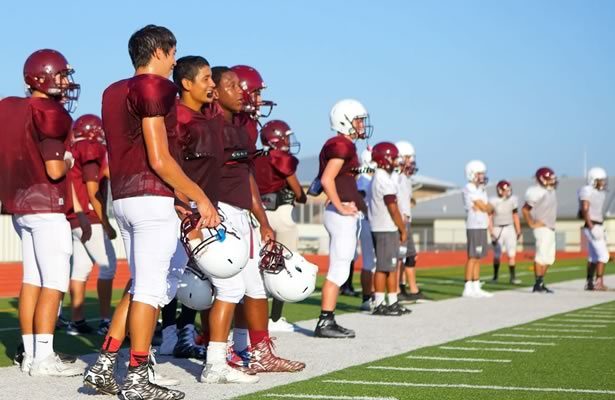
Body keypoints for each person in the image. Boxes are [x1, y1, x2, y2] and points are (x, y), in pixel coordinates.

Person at [84, 25, 218, 400]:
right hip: (150, 197)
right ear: (160, 51)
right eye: (173, 53)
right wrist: (198, 197)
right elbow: (159, 158)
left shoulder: (113, 90)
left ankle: (103, 365)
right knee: (149, 288)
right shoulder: (156, 87)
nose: (175, 61)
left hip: (126, 199)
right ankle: (138, 377)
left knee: (140, 283)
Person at [0, 48, 81, 377]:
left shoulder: (10, 108)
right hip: (47, 206)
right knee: (55, 282)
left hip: (21, 208)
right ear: (43, 77)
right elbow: (54, 169)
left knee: (32, 279)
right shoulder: (49, 111)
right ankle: (44, 357)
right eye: (61, 75)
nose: (65, 82)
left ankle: (32, 355)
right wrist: (68, 160)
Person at [158, 55, 221, 361]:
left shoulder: (208, 116)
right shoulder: (177, 118)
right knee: (174, 273)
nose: (213, 84)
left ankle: (184, 330)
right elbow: (168, 164)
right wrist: (180, 201)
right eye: (206, 78)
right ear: (186, 84)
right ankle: (170, 332)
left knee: (198, 274)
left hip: (206, 206)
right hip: (183, 207)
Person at [314, 99, 372, 338]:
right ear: (345, 121)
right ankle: (325, 321)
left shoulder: (344, 144)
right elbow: (328, 179)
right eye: (358, 120)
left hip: (341, 214)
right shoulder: (341, 145)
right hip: (340, 215)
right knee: (339, 268)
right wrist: (340, 205)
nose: (361, 125)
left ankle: (328, 319)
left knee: (342, 265)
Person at [64, 114, 118, 336]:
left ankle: (77, 321)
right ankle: (106, 319)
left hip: (75, 218)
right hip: (89, 218)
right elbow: (92, 188)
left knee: (81, 269)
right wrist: (106, 222)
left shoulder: (75, 149)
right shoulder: (90, 148)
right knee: (108, 267)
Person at [254, 120, 306, 332]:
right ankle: (274, 319)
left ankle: (256, 317)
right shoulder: (282, 159)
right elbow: (297, 192)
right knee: (283, 265)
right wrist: (303, 195)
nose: (288, 140)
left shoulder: (255, 157)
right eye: (285, 136)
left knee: (259, 266)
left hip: (259, 215)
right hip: (281, 214)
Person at [368, 142, 410, 316]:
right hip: (384, 227)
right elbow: (392, 208)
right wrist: (403, 229)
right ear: (384, 159)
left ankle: (392, 301)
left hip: (386, 227)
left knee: (390, 267)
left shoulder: (383, 177)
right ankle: (379, 303)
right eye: (393, 158)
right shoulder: (383, 179)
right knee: (383, 267)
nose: (395, 162)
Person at [395, 140, 426, 302]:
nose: (411, 161)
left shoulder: (405, 178)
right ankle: (397, 290)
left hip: (406, 220)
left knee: (410, 256)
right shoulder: (396, 177)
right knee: (399, 257)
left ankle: (411, 289)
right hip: (399, 221)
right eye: (407, 157)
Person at [522, 167, 558, 294]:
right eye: (549, 179)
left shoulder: (550, 191)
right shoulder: (536, 191)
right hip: (542, 228)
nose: (552, 181)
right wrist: (531, 223)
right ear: (542, 179)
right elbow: (525, 209)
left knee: (549, 258)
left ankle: (540, 282)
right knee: (541, 256)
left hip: (550, 228)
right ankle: (538, 284)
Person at [461, 160, 494, 298]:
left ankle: (476, 285)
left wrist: (486, 207)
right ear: (472, 174)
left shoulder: (481, 189)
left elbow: (489, 208)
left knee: (479, 257)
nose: (482, 176)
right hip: (474, 225)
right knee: (472, 257)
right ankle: (467, 287)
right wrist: (485, 207)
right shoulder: (469, 187)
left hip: (482, 224)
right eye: (479, 173)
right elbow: (483, 206)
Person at [578, 167, 609, 291]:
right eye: (600, 180)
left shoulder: (599, 192)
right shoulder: (586, 190)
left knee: (593, 257)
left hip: (597, 225)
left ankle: (589, 282)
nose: (603, 182)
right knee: (604, 256)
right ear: (593, 180)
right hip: (592, 225)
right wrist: (591, 226)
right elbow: (584, 209)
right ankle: (598, 282)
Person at [488, 180, 522, 284]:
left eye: (508, 190)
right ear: (499, 190)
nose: (507, 192)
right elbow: (489, 217)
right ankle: (495, 277)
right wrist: (491, 231)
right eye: (505, 190)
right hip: (497, 228)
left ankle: (513, 277)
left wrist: (518, 230)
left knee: (511, 254)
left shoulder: (513, 200)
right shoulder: (493, 201)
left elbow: (515, 215)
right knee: (497, 255)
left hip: (510, 228)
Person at [357, 148, 377, 311]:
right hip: (367, 223)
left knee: (374, 263)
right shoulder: (363, 181)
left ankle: (373, 297)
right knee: (370, 262)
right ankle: (367, 298)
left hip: (372, 223)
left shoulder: (370, 179)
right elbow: (362, 204)